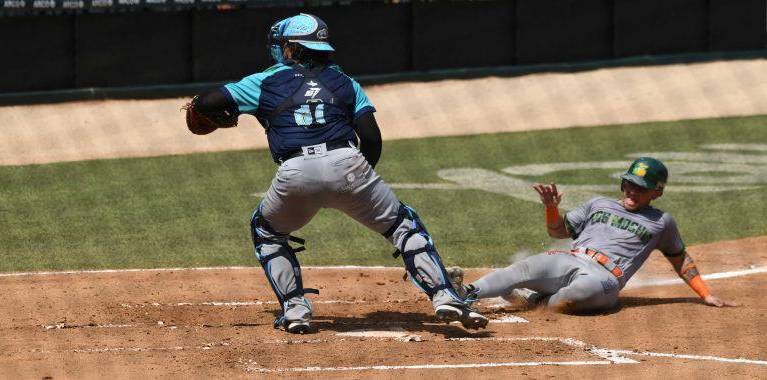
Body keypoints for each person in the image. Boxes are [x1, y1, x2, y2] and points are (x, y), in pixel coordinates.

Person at [182, 13, 486, 333]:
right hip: (349, 165)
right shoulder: (345, 82)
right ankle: (444, 295)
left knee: (267, 232)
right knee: (402, 225)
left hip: (295, 173)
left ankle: (295, 309)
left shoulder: (264, 81)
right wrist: (359, 182)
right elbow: (371, 138)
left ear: (293, 49)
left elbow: (207, 102)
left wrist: (218, 113)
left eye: (285, 45)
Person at [453, 157, 737, 313]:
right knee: (523, 267)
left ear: (657, 191)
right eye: (629, 184)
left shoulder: (662, 222)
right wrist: (552, 209)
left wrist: (706, 294)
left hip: (604, 278)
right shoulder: (598, 203)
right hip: (571, 258)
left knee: (575, 295)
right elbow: (557, 232)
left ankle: (535, 301)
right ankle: (464, 294)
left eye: (640, 187)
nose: (631, 191)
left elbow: (680, 260)